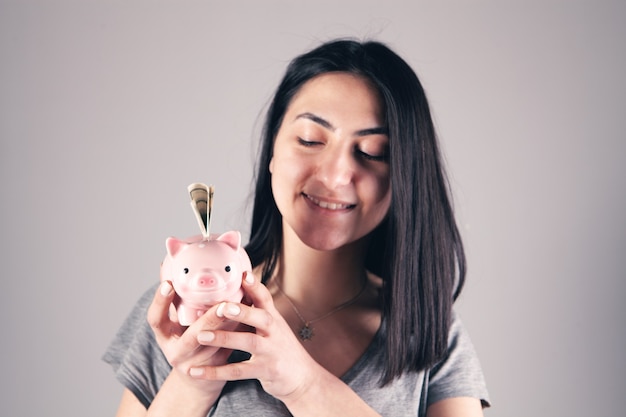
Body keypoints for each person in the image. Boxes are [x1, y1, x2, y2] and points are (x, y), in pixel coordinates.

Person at [103, 38, 490, 416]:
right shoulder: (175, 314)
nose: (336, 176)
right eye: (310, 140)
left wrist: (304, 385)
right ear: (272, 149)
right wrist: (193, 380)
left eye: (373, 153)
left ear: (405, 176)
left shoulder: (430, 332)